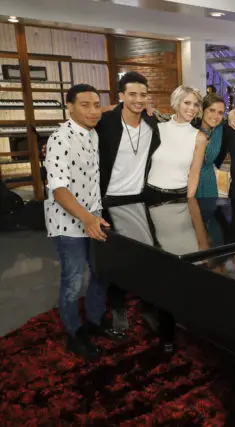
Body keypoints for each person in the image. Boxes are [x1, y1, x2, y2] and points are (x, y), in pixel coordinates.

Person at [43, 84, 112, 359]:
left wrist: (95, 215)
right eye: (85, 104)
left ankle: (94, 321)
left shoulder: (92, 133)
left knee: (101, 273)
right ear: (68, 106)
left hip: (93, 217)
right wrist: (87, 219)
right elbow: (58, 190)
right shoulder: (60, 138)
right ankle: (74, 333)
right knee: (72, 281)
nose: (93, 110)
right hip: (69, 223)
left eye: (97, 105)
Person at [97, 71, 161, 334]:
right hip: (109, 199)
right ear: (120, 96)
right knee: (116, 261)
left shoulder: (151, 123)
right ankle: (118, 309)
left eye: (142, 95)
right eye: (132, 94)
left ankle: (148, 308)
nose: (138, 99)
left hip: (140, 199)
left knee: (145, 258)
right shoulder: (106, 122)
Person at [146, 85, 202, 201]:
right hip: (151, 194)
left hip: (179, 196)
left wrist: (189, 202)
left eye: (196, 104)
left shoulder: (199, 137)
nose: (192, 108)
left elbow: (194, 175)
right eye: (187, 103)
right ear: (177, 103)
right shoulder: (157, 128)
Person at [194, 93, 226, 198]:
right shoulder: (190, 128)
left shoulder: (221, 129)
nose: (216, 116)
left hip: (209, 181)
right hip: (188, 182)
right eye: (212, 110)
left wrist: (234, 112)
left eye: (220, 113)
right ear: (203, 110)